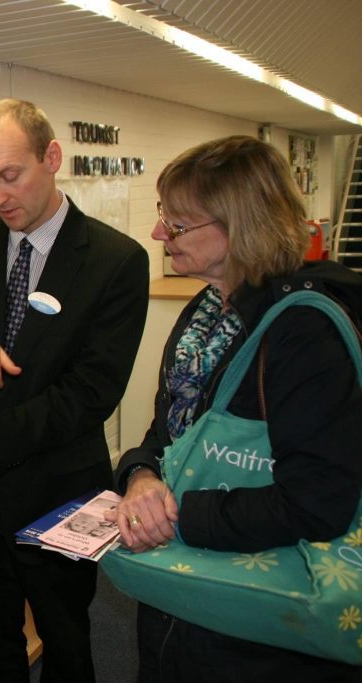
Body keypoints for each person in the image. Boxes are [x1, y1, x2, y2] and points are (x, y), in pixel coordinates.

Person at [106, 135, 362, 681]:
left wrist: (176, 516)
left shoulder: (304, 332)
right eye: (163, 217)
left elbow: (319, 502)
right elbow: (168, 434)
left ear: (241, 224)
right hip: (179, 599)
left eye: (177, 224)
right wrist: (141, 476)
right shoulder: (205, 314)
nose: (158, 234)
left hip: (261, 631)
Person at [0, 98, 149, 682]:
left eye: (9, 177)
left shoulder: (117, 261)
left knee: (68, 648)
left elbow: (92, 393)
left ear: (51, 157)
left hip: (58, 496)